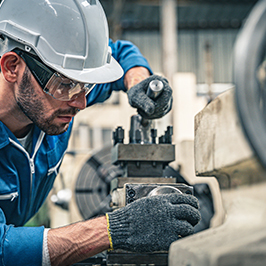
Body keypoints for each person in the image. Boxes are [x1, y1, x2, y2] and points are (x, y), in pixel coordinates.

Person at [0, 0, 201, 265]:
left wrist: (139, 82)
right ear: (12, 66)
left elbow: (120, 53)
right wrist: (116, 229)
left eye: (87, 85)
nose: (81, 102)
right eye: (66, 84)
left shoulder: (60, 93)